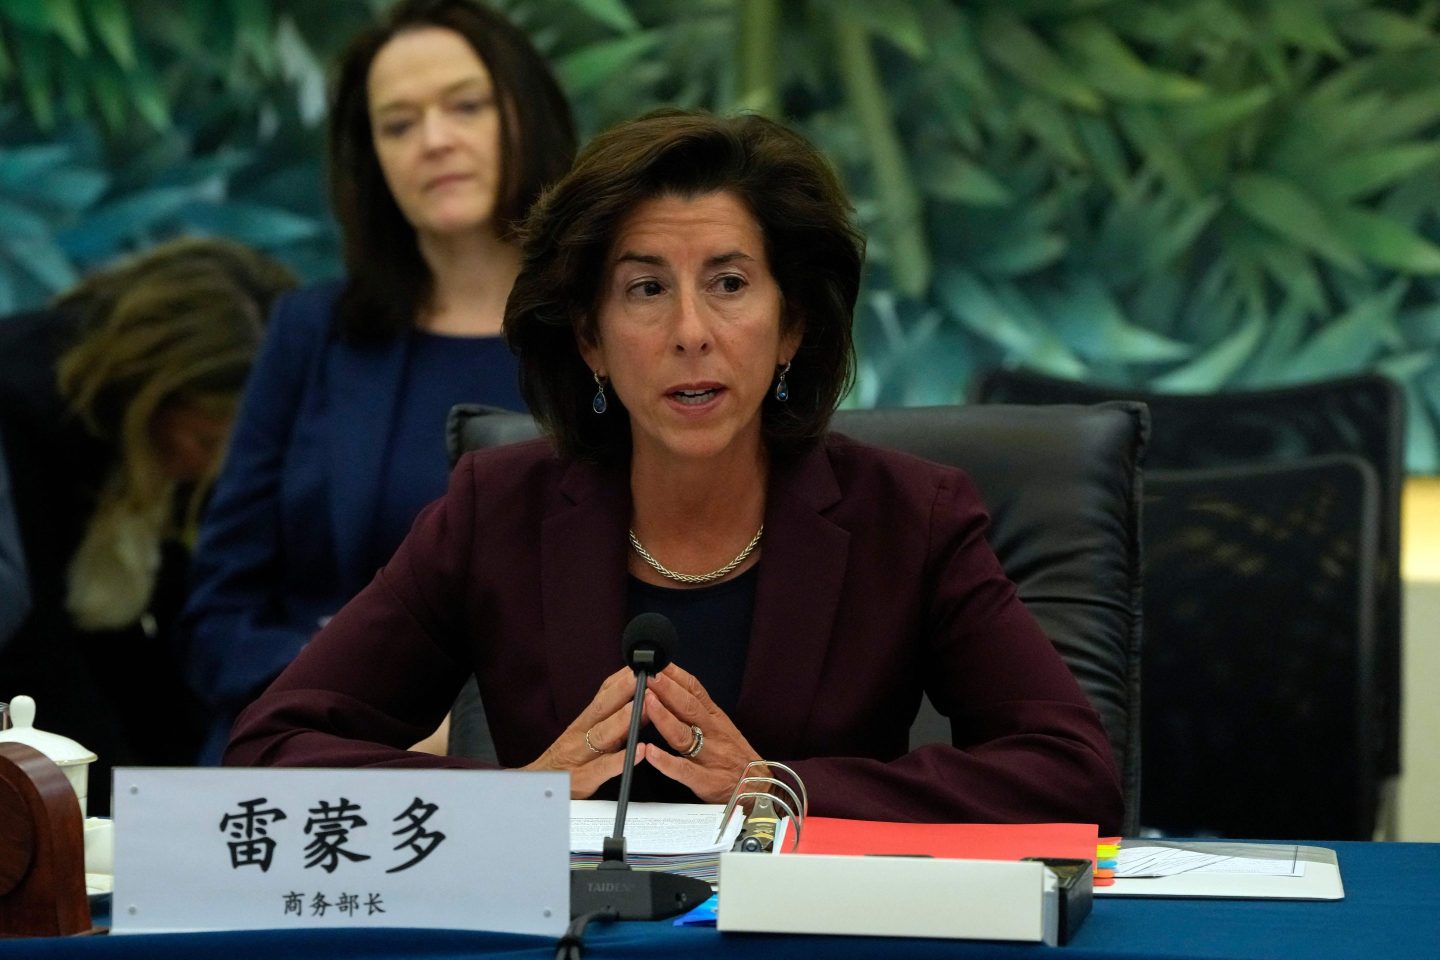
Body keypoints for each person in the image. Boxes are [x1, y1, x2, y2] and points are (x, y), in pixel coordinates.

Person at [225, 110, 1124, 833]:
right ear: (591, 338)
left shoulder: (909, 518)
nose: (691, 332)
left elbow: (1072, 775)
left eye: (729, 284)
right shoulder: (495, 511)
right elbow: (273, 749)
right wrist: (517, 802)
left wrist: (783, 792)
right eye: (646, 288)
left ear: (791, 326)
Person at [181, 0, 577, 761]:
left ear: (527, 114)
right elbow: (218, 616)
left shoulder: (607, 332)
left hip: (549, 767)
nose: (434, 140)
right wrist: (364, 710)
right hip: (324, 752)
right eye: (398, 124)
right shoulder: (312, 333)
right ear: (372, 158)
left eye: (466, 106)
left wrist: (472, 731)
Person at [0, 237, 295, 814]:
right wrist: (145, 816)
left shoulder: (146, 446)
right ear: (150, 396)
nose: (215, 472)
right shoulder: (24, 407)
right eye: (206, 443)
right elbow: (39, 655)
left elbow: (139, 649)